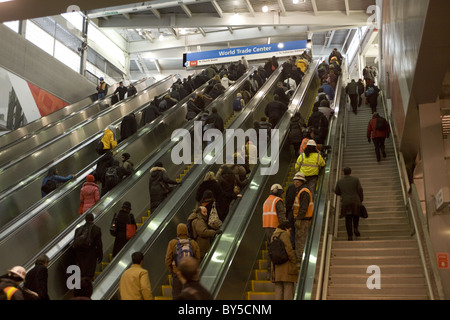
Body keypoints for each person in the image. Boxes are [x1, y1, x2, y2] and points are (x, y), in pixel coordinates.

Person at [165, 223, 200, 299]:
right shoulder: (193, 243)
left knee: (176, 294)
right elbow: (197, 259)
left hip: (177, 273)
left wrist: (172, 271)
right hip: (189, 275)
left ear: (178, 232)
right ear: (187, 231)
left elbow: (168, 259)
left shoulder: (172, 243)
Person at [262, 184, 288, 274]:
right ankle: (279, 272)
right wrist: (286, 227)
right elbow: (281, 216)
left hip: (267, 228)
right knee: (279, 250)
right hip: (276, 229)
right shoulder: (277, 201)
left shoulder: (266, 201)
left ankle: (270, 272)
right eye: (281, 192)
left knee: (270, 250)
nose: (281, 195)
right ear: (278, 192)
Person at [270, 221, 298, 300]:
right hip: (286, 266)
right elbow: (289, 250)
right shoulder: (284, 235)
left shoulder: (273, 235)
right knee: (288, 287)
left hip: (276, 266)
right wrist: (294, 261)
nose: (290, 232)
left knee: (278, 288)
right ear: (286, 228)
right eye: (289, 230)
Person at [335, 167, 364, 241]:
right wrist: (361, 199)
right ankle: (355, 228)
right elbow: (360, 190)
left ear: (344, 173)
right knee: (356, 215)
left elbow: (337, 192)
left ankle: (350, 236)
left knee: (348, 218)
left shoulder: (340, 181)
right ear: (350, 172)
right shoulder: (356, 179)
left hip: (345, 201)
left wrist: (343, 193)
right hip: (355, 200)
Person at [73, 213, 103, 279]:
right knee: (89, 274)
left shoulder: (78, 230)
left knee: (82, 273)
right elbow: (99, 244)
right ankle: (88, 286)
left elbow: (75, 243)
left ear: (85, 220)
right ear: (93, 219)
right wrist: (100, 255)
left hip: (80, 255)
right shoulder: (96, 229)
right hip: (91, 254)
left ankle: (82, 286)